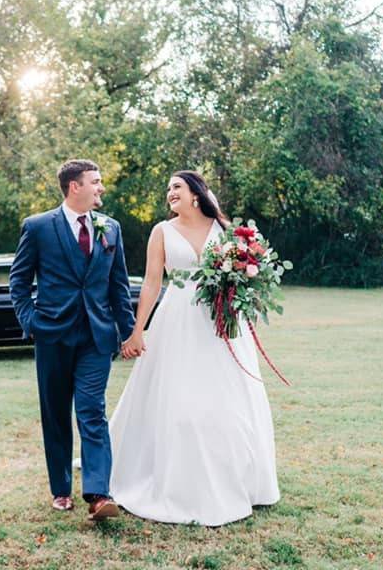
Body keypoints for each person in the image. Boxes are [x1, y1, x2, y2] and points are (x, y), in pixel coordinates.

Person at [110, 170, 280, 526]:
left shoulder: (228, 232)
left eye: (177, 187)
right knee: (179, 399)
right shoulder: (161, 231)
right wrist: (137, 330)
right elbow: (152, 284)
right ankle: (175, 479)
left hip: (221, 324)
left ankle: (242, 479)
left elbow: (249, 270)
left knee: (231, 400)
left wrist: (242, 289)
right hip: (177, 321)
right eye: (168, 188)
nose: (170, 193)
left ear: (196, 194)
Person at [9, 159, 136, 521]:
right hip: (52, 335)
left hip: (97, 336)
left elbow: (118, 285)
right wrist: (31, 322)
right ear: (73, 186)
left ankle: (99, 494)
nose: (101, 188)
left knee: (92, 411)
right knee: (56, 414)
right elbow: (18, 282)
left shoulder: (110, 228)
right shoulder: (37, 227)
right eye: (95, 182)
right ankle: (60, 488)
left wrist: (127, 332)